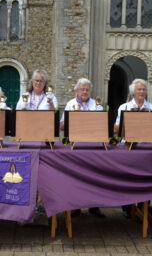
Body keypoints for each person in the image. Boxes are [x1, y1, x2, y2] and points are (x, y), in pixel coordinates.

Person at [60, 78, 105, 218]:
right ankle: (75, 206)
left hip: (93, 146)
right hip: (76, 145)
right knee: (76, 176)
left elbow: (103, 123)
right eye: (82, 89)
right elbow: (61, 125)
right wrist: (73, 119)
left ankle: (94, 206)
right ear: (76, 91)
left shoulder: (96, 104)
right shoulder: (70, 104)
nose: (85, 92)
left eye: (87, 89)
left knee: (94, 176)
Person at [114, 79, 152, 218]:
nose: (142, 92)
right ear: (133, 92)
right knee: (128, 177)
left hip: (146, 147)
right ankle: (127, 207)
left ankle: (144, 205)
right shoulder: (124, 107)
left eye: (144, 89)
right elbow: (116, 128)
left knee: (145, 178)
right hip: (129, 148)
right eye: (139, 89)